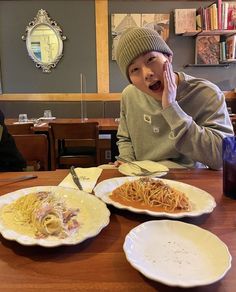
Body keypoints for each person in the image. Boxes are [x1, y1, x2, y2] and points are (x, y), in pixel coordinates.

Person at [115, 27, 234, 169]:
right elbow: (125, 138)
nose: (147, 73)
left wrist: (171, 108)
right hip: (145, 180)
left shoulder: (207, 93)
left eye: (151, 59)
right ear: (131, 80)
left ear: (168, 57)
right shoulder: (129, 95)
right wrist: (128, 163)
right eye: (135, 69)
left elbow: (223, 158)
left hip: (193, 182)